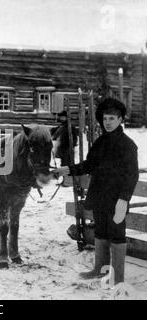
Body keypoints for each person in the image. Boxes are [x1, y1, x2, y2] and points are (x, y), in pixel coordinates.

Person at [55, 98, 139, 286]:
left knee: (117, 234)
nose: (107, 122)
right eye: (105, 118)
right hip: (99, 195)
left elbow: (131, 175)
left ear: (120, 120)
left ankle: (117, 279)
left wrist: (123, 200)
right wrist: (67, 169)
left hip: (117, 199)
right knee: (100, 231)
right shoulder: (100, 142)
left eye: (111, 118)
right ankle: (100, 270)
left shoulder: (128, 145)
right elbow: (89, 165)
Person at [51, 111, 78, 187]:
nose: (60, 118)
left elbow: (74, 138)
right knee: (63, 164)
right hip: (63, 148)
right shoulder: (62, 126)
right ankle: (65, 181)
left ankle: (68, 182)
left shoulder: (70, 126)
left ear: (66, 117)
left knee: (68, 165)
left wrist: (71, 145)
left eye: (62, 117)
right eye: (60, 117)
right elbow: (56, 134)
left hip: (68, 148)